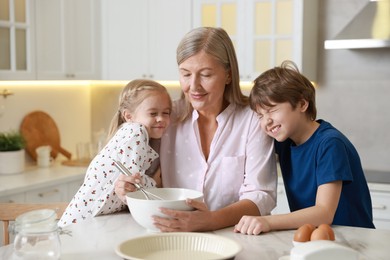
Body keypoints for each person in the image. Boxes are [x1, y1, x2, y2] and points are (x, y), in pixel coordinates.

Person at [115, 27, 277, 232]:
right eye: (185, 74)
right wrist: (129, 189)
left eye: (206, 75)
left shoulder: (253, 120)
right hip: (173, 235)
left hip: (237, 236)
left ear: (228, 75)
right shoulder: (166, 117)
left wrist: (211, 220)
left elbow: (261, 195)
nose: (194, 86)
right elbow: (147, 182)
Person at [234, 60, 375, 235]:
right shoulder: (284, 141)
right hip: (316, 239)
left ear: (302, 104)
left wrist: (267, 221)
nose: (266, 122)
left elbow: (324, 213)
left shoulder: (330, 144)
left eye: (272, 110)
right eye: (260, 115)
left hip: (353, 241)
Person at [59, 79, 172, 227]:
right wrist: (156, 183)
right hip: (82, 221)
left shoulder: (128, 133)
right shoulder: (135, 131)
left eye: (166, 113)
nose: (161, 119)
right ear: (128, 116)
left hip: (90, 220)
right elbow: (134, 185)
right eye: (153, 113)